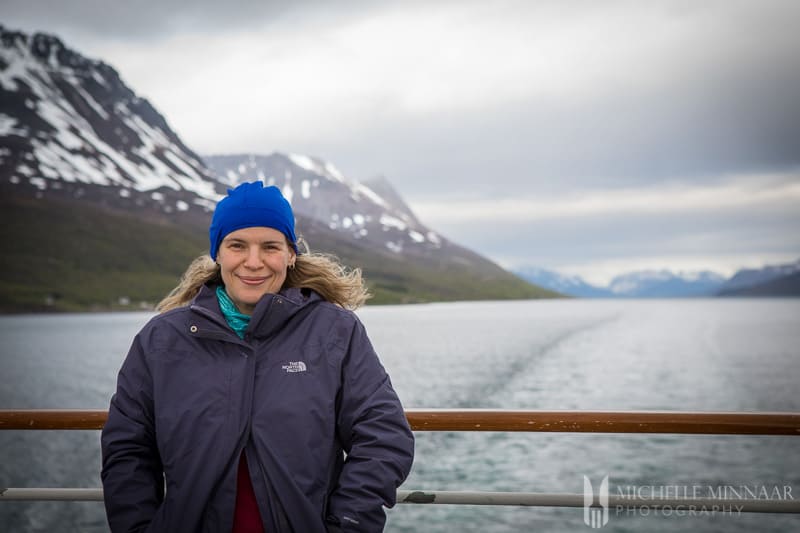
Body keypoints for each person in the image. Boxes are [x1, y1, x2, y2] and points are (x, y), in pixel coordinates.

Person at [101, 181, 415, 533]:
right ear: (217, 253)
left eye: (270, 246)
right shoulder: (161, 341)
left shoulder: (335, 332)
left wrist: (350, 524)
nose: (254, 262)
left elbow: (384, 436)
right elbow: (128, 449)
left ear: (290, 254)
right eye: (237, 245)